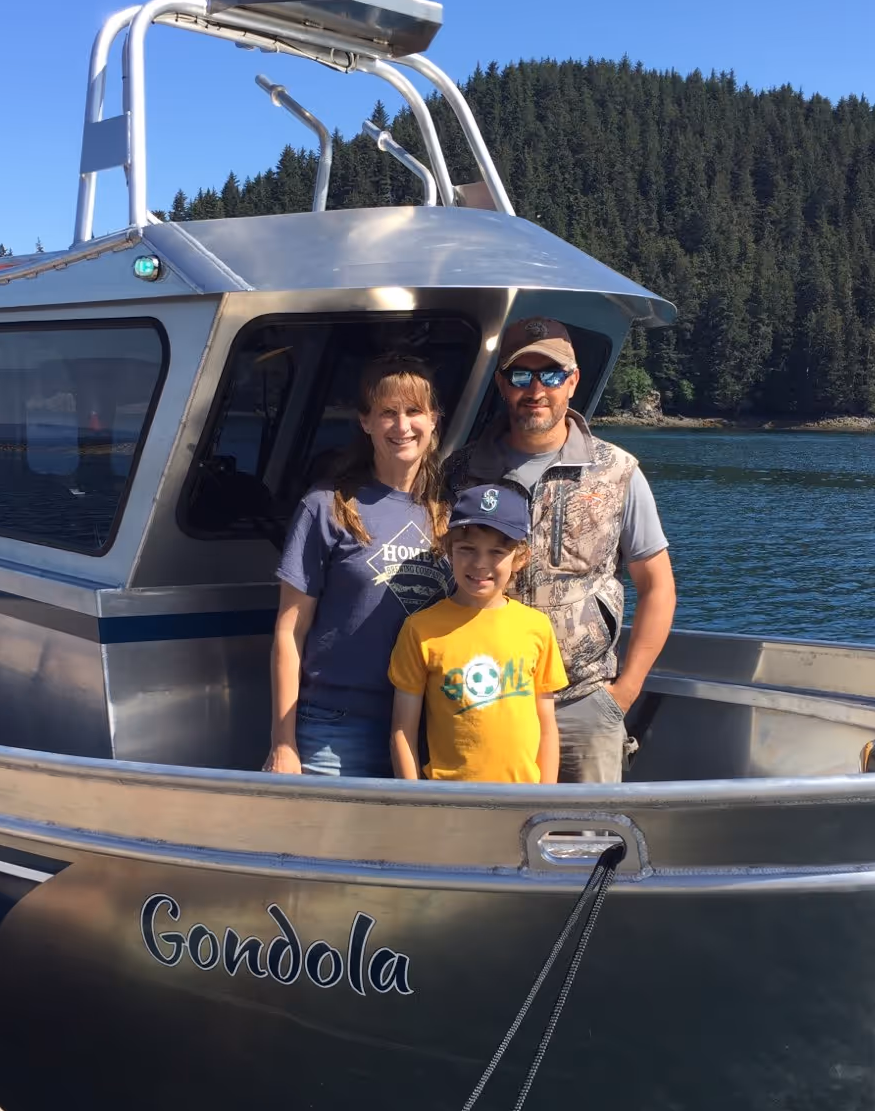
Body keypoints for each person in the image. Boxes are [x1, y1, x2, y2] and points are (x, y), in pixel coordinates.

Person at [443, 316, 676, 783]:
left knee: (586, 844)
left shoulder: (617, 471)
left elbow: (658, 587)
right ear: (501, 384)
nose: (536, 390)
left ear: (573, 381)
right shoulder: (460, 471)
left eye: (550, 375)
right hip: (481, 697)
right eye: (521, 375)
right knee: (483, 843)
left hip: (583, 702)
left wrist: (623, 694)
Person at [265, 353, 451, 777]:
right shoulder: (325, 507)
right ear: (365, 422)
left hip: (426, 729)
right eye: (388, 413)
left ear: (434, 419)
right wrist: (283, 742)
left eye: (414, 411)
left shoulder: (452, 515)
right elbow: (289, 631)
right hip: (335, 731)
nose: (402, 427)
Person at [388, 483, 567, 783]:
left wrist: (544, 801)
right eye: (467, 549)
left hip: (523, 801)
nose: (480, 564)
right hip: (449, 801)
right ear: (448, 551)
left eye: (497, 552)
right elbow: (403, 730)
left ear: (520, 558)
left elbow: (546, 725)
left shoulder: (536, 627)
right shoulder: (420, 630)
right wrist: (415, 804)